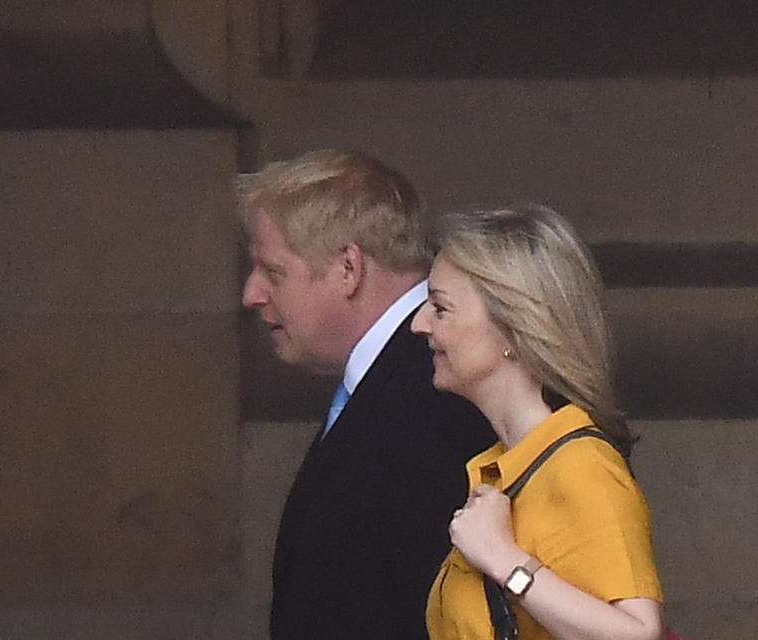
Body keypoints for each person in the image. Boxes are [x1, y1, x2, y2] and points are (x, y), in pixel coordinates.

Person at [237, 149, 493, 640]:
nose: (252, 293)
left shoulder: (436, 392)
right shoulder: (396, 379)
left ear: (348, 268)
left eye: (273, 271)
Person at [411, 204, 665, 640]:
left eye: (440, 307)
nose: (419, 324)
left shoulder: (580, 465)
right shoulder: (503, 467)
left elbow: (637, 635)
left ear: (512, 327)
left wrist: (503, 559)